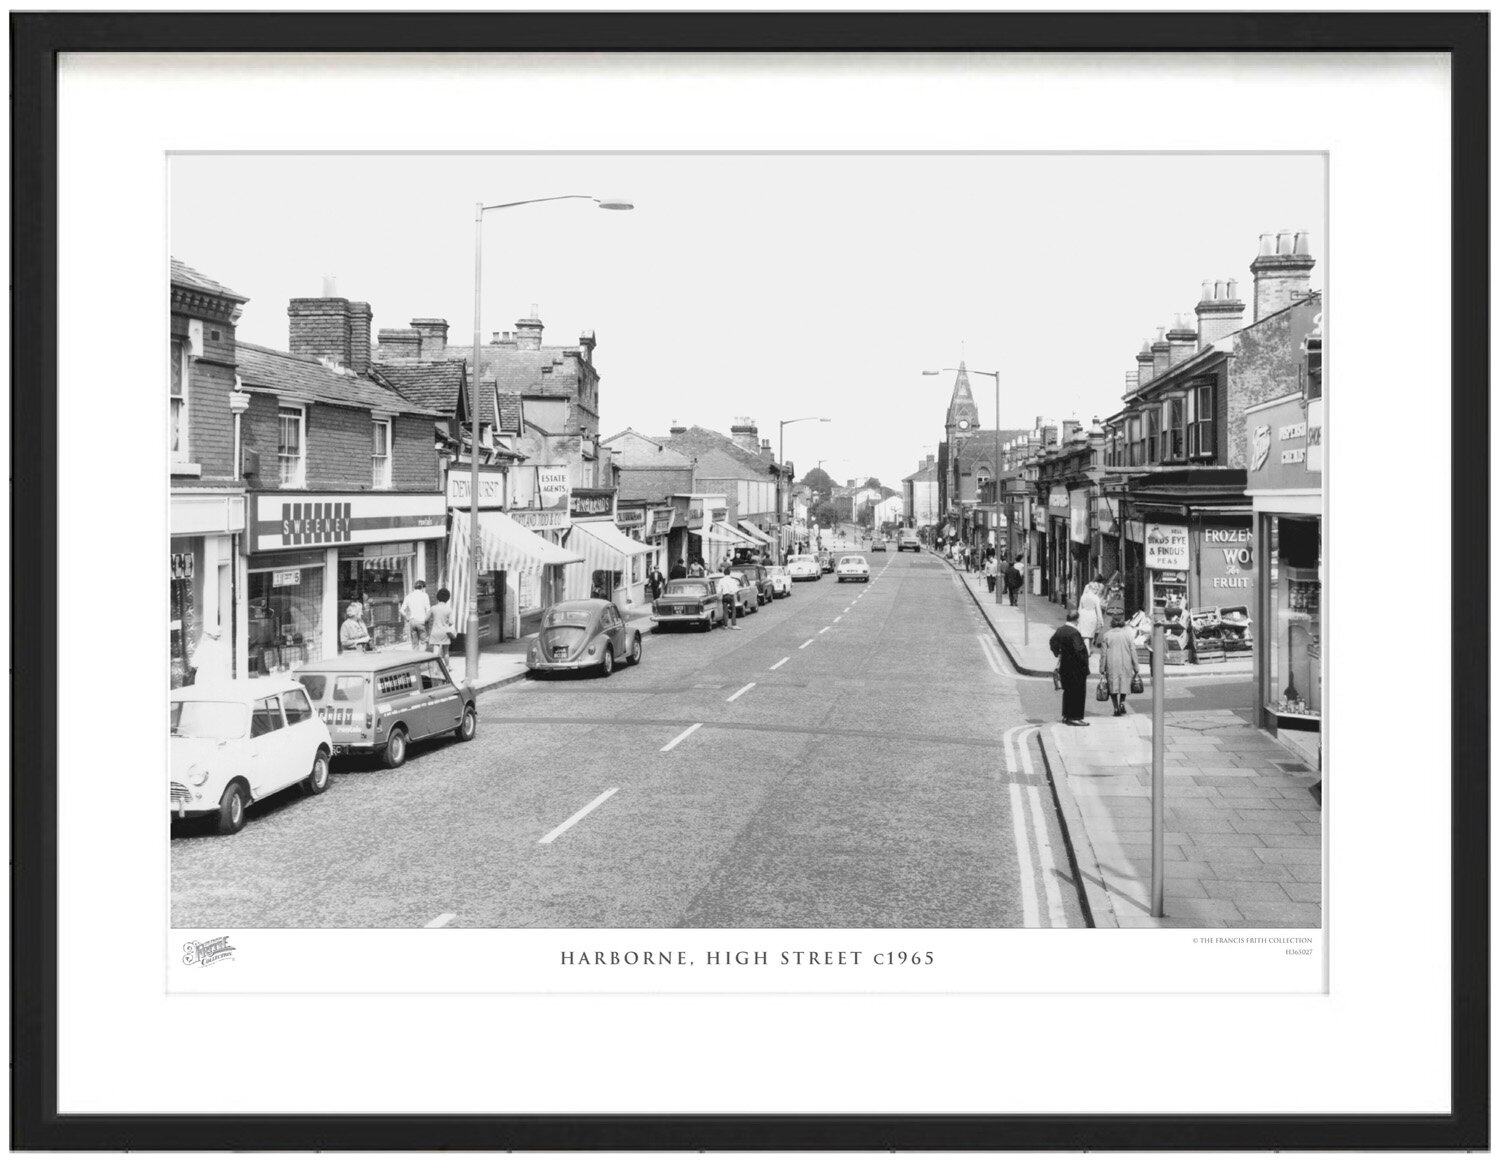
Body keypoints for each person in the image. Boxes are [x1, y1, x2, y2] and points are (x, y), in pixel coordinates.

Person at [1049, 610, 1091, 727]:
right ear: (1077, 620)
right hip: (1076, 669)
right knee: (1078, 693)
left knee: (1068, 692)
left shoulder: (1060, 630)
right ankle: (1075, 717)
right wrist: (1085, 661)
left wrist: (1058, 653)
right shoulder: (1074, 633)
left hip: (1065, 667)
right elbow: (1079, 651)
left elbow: (1052, 642)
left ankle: (1067, 716)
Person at [1100, 615, 1140, 716]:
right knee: (1124, 683)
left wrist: (1102, 668)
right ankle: (1122, 703)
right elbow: (1133, 651)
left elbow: (1103, 654)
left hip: (1112, 663)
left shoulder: (1107, 635)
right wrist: (1136, 667)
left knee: (1113, 685)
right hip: (1125, 662)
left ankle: (1115, 708)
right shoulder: (1128, 635)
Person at [1077, 579, 1106, 666]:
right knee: (1090, 635)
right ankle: (1088, 650)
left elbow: (1079, 608)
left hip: (1083, 614)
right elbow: (1098, 610)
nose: (1097, 591)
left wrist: (1078, 618)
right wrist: (1101, 620)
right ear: (1093, 589)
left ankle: (1087, 649)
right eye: (1096, 589)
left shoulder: (1083, 596)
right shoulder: (1095, 597)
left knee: (1085, 634)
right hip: (1092, 615)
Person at [399, 579, 432, 649]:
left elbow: (401, 610)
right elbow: (428, 610)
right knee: (423, 642)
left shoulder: (408, 596)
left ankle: (416, 657)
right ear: (422, 587)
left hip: (412, 621)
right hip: (421, 621)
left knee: (414, 644)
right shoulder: (425, 595)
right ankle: (422, 658)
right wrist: (426, 620)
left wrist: (407, 618)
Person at [428, 587, 455, 659]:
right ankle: (447, 667)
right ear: (447, 598)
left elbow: (426, 619)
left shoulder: (433, 608)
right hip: (445, 633)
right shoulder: (448, 609)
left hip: (435, 632)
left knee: (435, 652)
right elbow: (451, 622)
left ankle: (434, 668)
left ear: (438, 597)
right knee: (446, 652)